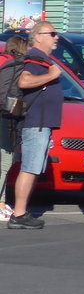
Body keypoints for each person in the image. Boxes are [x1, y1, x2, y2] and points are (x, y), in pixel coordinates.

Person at [8, 23, 65, 230]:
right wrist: (51, 75)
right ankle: (19, 214)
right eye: (52, 34)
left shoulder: (42, 59)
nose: (56, 37)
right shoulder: (35, 57)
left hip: (41, 124)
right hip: (35, 124)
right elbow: (24, 81)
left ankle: (22, 212)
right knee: (30, 168)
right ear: (38, 37)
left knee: (33, 169)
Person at [0, 35, 26, 222]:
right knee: (5, 163)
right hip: (5, 117)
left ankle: (1, 203)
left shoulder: (3, 61)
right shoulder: (17, 65)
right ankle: (0, 204)